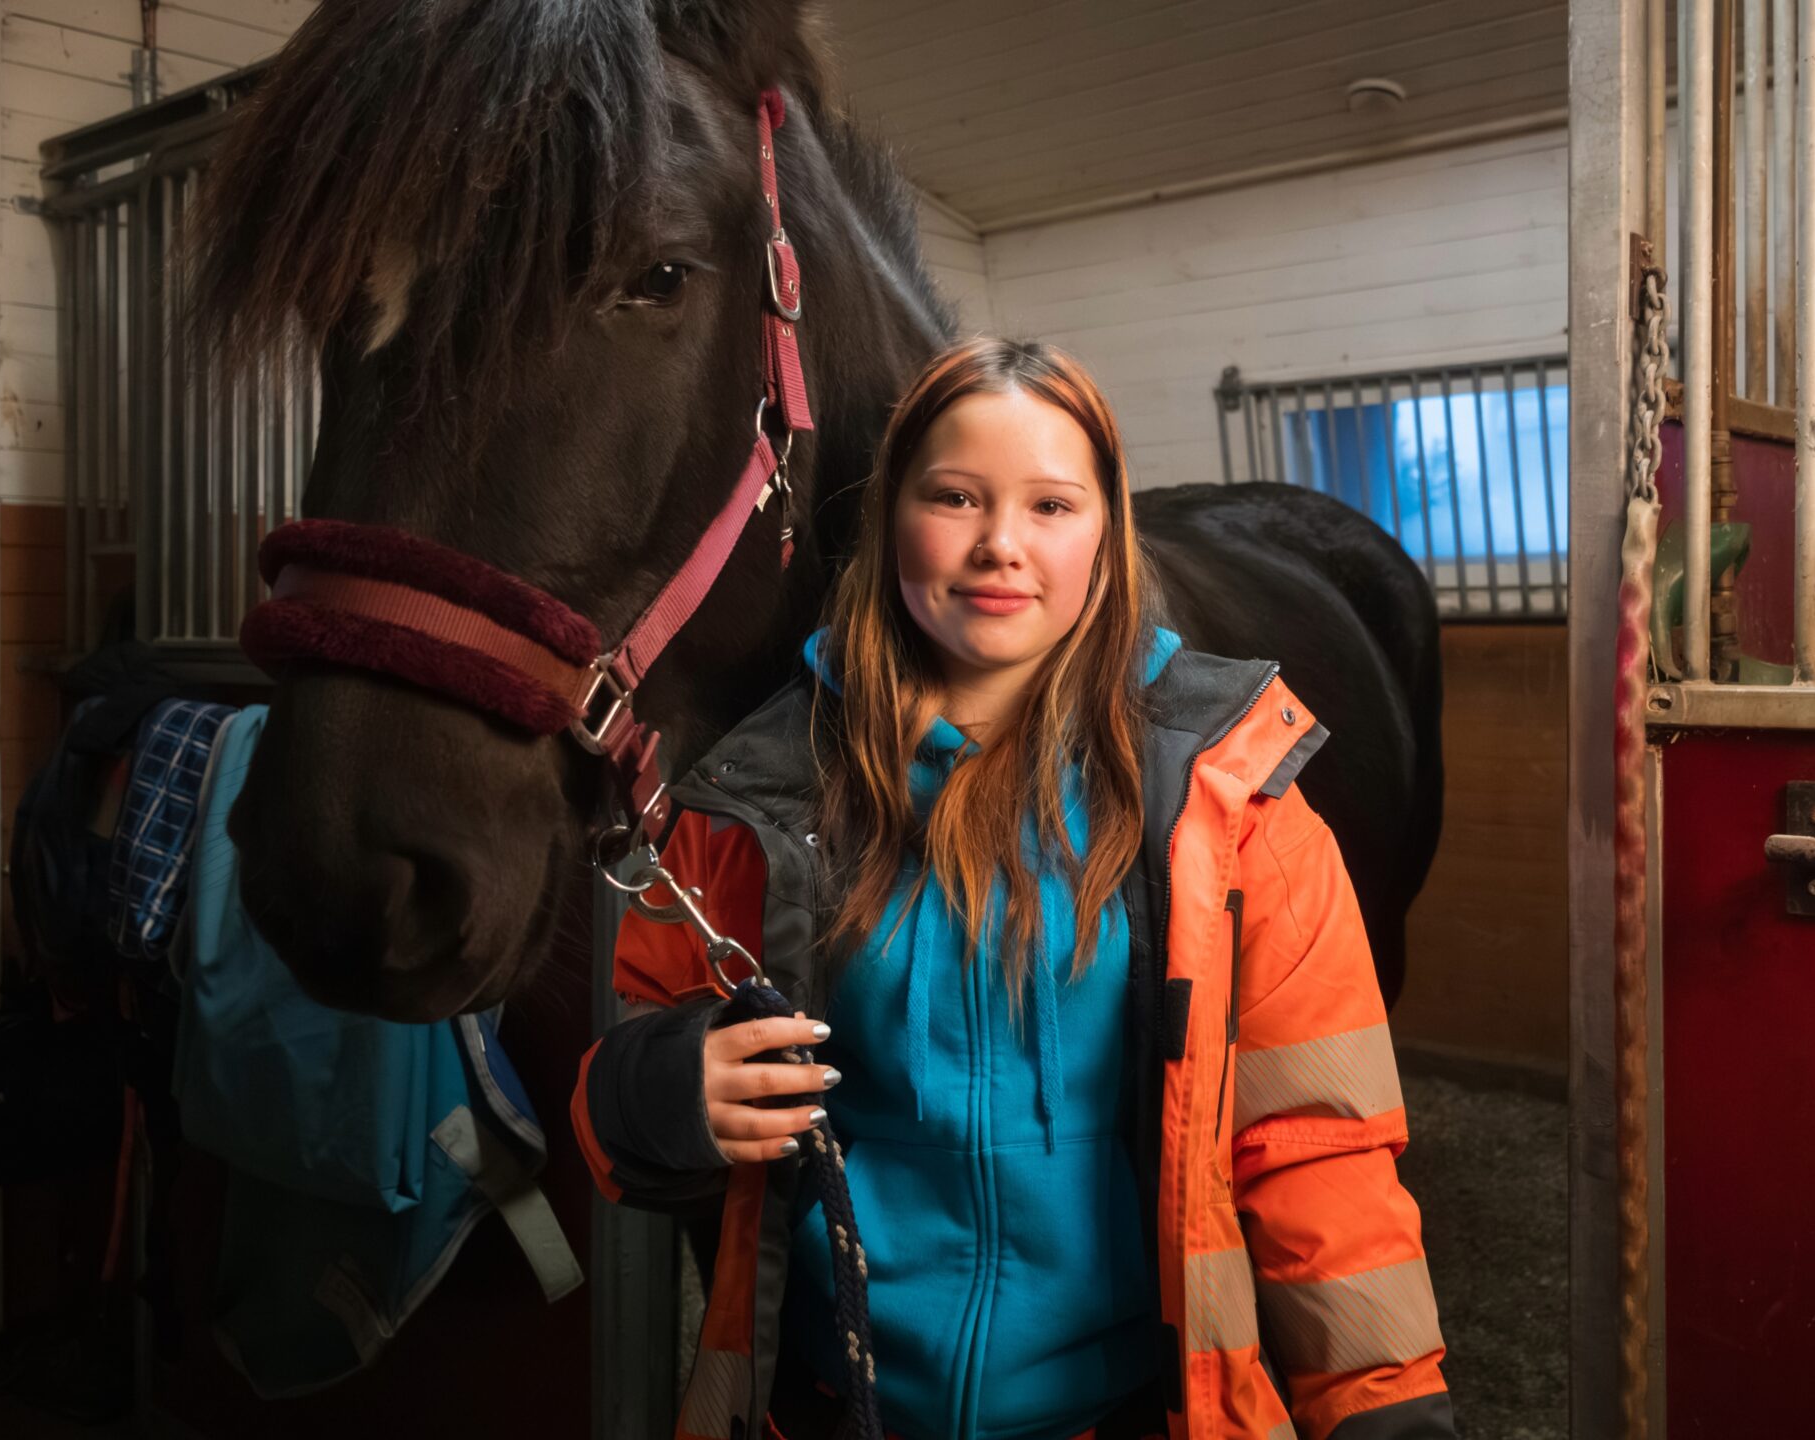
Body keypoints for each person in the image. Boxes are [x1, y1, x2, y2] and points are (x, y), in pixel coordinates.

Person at [572, 339, 1455, 1440]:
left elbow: (1320, 1145)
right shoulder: (743, 806)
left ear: (1105, 533)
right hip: (830, 1413)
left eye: (1050, 505)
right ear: (891, 515)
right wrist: (662, 1090)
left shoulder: (1234, 807)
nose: (1000, 545)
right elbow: (616, 1097)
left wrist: (1383, 1410)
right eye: (954, 497)